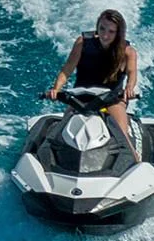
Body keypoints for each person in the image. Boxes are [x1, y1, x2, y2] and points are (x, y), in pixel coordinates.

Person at [47, 10, 143, 167]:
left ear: (118, 33)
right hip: (81, 98)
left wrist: (129, 88)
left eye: (111, 31)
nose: (105, 35)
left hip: (111, 98)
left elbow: (132, 73)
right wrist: (56, 89)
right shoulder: (82, 43)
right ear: (97, 26)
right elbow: (67, 69)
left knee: (122, 133)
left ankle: (136, 164)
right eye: (102, 28)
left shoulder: (128, 52)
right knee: (61, 127)